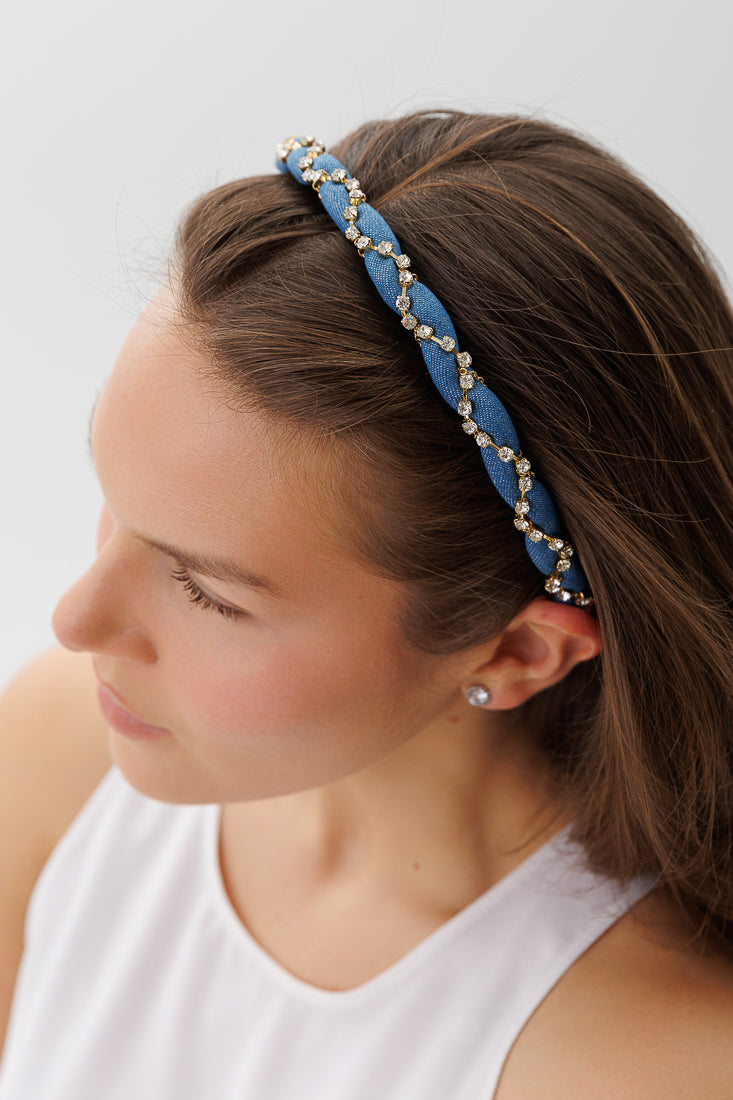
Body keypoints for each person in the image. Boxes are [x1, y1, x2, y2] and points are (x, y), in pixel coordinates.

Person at [1, 109, 732, 1099]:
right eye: (115, 502)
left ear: (515, 652)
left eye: (206, 591)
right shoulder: (61, 756)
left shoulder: (647, 1066)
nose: (74, 620)